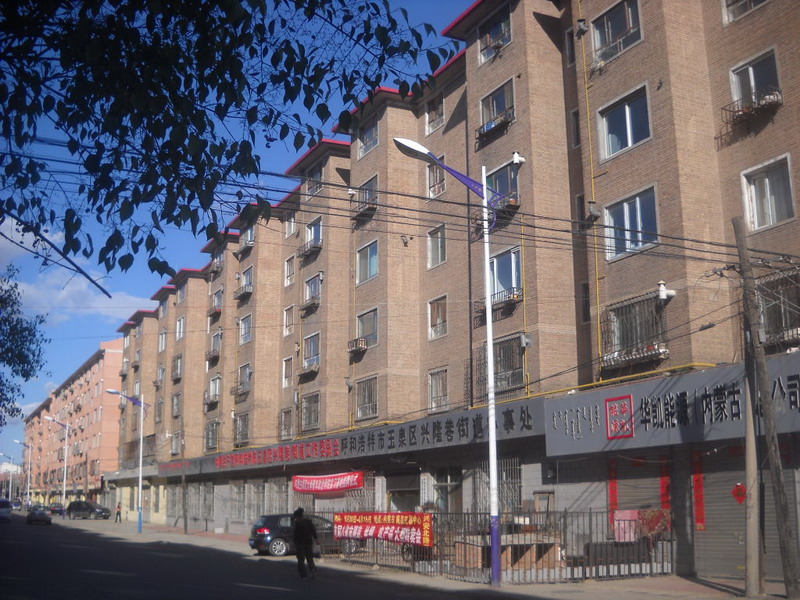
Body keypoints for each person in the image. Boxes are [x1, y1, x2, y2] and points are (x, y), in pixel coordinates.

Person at [292, 507, 318, 579]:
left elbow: (296, 534)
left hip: (300, 543)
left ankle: (303, 575)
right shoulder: (308, 521)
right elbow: (313, 530)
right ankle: (312, 569)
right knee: (309, 557)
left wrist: (294, 542)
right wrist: (316, 538)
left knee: (301, 559)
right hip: (309, 541)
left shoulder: (297, 523)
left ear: (297, 516)